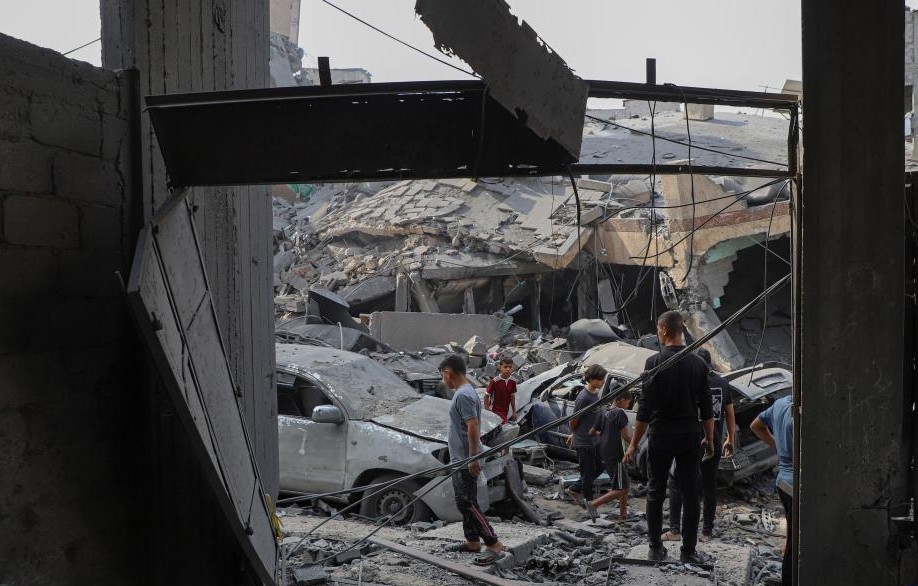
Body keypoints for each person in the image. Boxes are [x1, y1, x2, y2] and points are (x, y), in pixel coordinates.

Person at [624, 311, 714, 564]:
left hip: (661, 435)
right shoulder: (698, 364)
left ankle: (655, 548)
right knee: (691, 494)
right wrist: (710, 438)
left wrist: (633, 444)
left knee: (655, 491)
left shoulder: (654, 363)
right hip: (689, 436)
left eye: (657, 329)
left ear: (664, 330)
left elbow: (645, 410)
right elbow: (707, 408)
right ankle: (688, 551)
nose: (657, 333)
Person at [663, 348, 737, 542]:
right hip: (714, 442)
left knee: (677, 482)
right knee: (709, 486)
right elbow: (730, 413)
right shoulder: (722, 383)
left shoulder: (688, 381)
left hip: (689, 442)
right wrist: (730, 438)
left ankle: (675, 530)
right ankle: (706, 532)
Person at [439, 354, 505, 564]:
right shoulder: (467, 392)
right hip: (462, 458)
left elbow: (473, 425)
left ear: (448, 373)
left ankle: (493, 543)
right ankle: (472, 541)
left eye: (442, 376)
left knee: (466, 503)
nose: (443, 380)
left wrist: (473, 458)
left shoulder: (463, 395)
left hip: (465, 459)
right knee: (467, 501)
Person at [751, 394, 793, 586]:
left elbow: (755, 426)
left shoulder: (780, 404)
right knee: (797, 544)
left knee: (792, 538)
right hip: (796, 483)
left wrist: (777, 445)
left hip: (783, 481)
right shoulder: (799, 412)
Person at [565, 364, 607, 520]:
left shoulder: (595, 393)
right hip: (584, 441)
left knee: (600, 466)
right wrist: (574, 433)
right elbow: (573, 420)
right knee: (587, 474)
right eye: (600, 379)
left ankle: (575, 488)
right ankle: (590, 506)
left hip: (594, 439)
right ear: (592, 379)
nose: (603, 382)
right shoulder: (583, 397)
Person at [588, 393, 633, 519]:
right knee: (622, 488)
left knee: (622, 483)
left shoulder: (604, 411)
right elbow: (625, 435)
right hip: (616, 453)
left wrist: (605, 433)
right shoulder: (619, 412)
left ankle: (623, 514)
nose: (628, 405)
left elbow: (591, 432)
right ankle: (593, 504)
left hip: (605, 451)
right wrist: (634, 444)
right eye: (628, 402)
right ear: (621, 400)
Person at [484, 357, 517, 423]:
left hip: (505, 410)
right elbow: (486, 395)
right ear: (500, 368)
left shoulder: (513, 381)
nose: (508, 369)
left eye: (510, 367)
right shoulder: (495, 381)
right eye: (505, 367)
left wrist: (514, 412)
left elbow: (512, 396)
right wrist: (487, 409)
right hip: (494, 410)